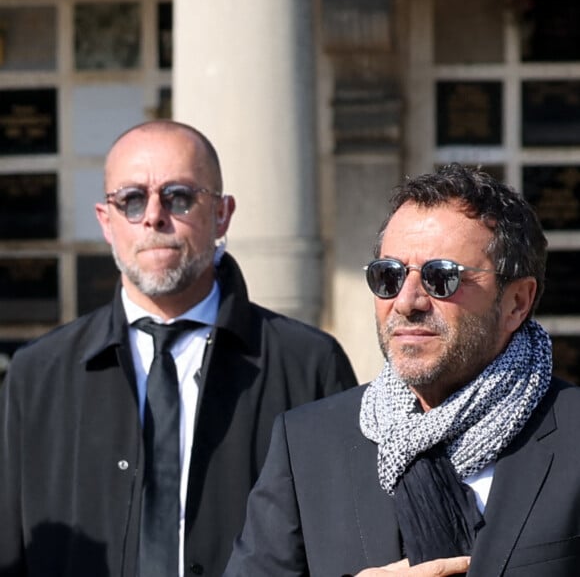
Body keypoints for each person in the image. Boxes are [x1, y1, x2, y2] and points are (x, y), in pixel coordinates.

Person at [0, 120, 358, 577]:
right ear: (105, 221)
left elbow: (345, 544)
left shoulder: (308, 365)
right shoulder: (36, 376)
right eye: (131, 200)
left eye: (179, 197)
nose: (153, 216)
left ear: (222, 214)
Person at [224, 163, 580, 577]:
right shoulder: (307, 444)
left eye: (441, 277)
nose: (408, 301)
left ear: (517, 302)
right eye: (388, 276)